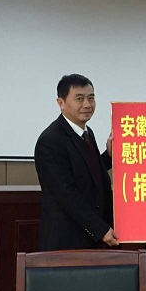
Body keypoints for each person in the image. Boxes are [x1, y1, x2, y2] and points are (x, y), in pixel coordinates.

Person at [34, 73, 118, 250]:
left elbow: (87, 172)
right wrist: (100, 229)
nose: (87, 104)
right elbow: (66, 194)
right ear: (61, 103)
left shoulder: (87, 132)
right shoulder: (50, 140)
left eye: (91, 98)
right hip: (67, 240)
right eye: (79, 99)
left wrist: (109, 156)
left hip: (91, 239)